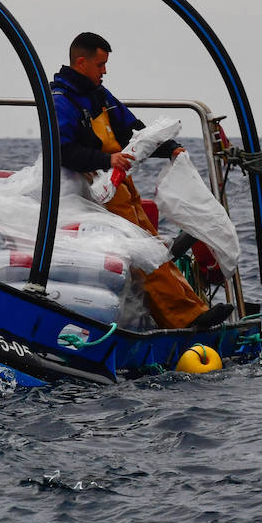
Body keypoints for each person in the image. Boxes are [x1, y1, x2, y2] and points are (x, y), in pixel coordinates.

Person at [51, 32, 234, 330]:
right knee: (144, 255)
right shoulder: (61, 102)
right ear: (81, 62)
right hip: (95, 192)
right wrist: (106, 161)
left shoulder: (101, 95)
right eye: (100, 65)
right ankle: (186, 319)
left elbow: (133, 132)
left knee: (154, 248)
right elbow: (62, 149)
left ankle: (193, 310)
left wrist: (169, 147)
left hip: (122, 187)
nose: (105, 71)